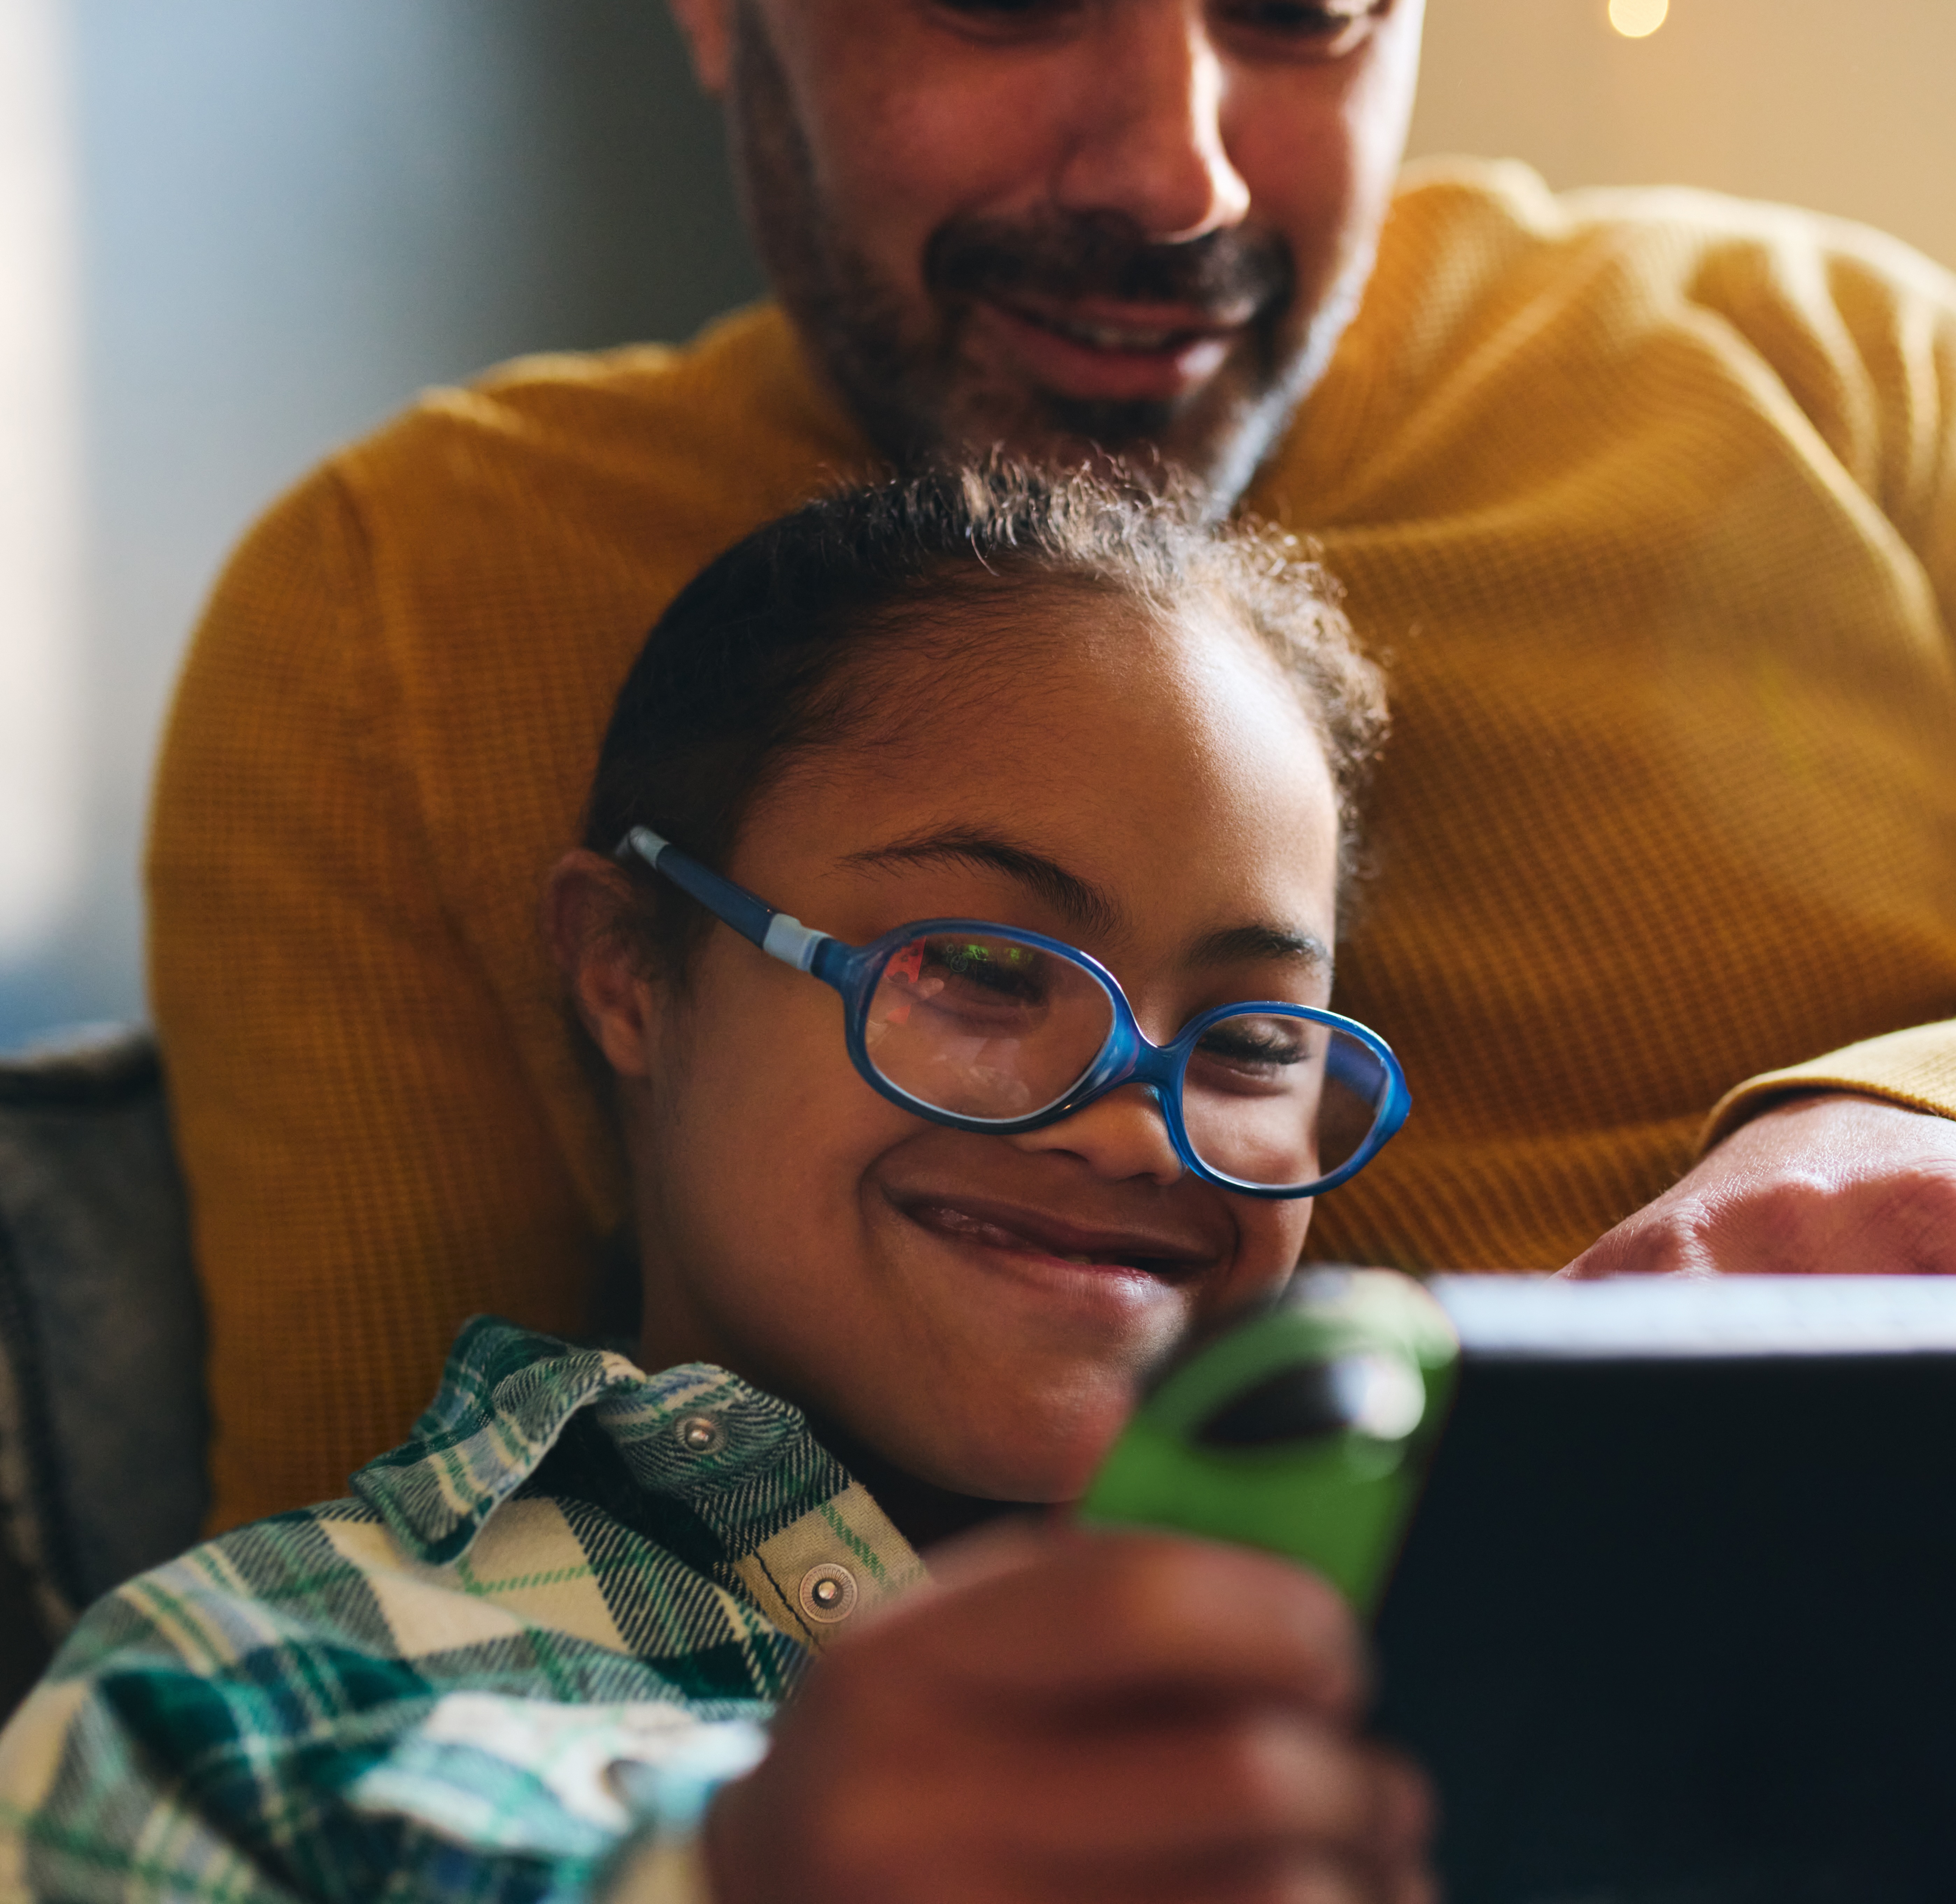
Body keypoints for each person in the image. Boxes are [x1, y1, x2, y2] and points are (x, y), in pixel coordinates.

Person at [150, 0, 1956, 1533]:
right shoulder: (397, 607)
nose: (1172, 171)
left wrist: (1953, 1123)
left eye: (1299, 14)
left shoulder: (1848, 376)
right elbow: (369, 1610)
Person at [2, 468, 1434, 1904]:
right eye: (983, 970)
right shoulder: (225, 1704)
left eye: (1247, 1039)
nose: (1132, 1135)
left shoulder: (1443, 1657)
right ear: (630, 972)